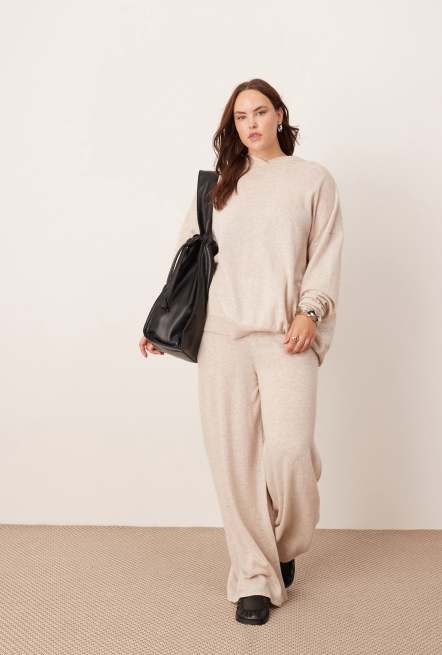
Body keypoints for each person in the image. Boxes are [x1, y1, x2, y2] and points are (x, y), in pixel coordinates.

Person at [139, 78, 344, 625]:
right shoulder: (218, 185)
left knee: (289, 452)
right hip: (222, 335)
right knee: (234, 459)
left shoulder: (312, 180)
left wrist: (311, 311)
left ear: (279, 115)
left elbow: (325, 254)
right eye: (240, 117)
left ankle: (283, 544)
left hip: (286, 333)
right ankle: (253, 575)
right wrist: (161, 323)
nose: (251, 123)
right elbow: (187, 259)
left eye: (260, 112)